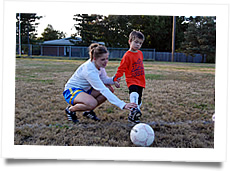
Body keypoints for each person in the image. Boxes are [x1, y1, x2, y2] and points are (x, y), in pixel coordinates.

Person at [63, 43, 137, 123]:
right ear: (94, 58)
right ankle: (70, 110)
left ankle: (88, 111)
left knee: (109, 88)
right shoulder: (89, 71)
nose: (106, 62)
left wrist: (113, 80)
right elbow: (103, 89)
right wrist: (123, 104)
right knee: (92, 103)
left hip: (85, 90)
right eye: (103, 59)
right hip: (71, 91)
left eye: (107, 58)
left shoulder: (98, 65)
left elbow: (104, 79)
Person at [113, 30, 145, 123]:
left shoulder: (140, 53)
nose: (138, 45)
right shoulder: (127, 55)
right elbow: (121, 68)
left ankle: (133, 115)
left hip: (141, 81)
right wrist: (116, 78)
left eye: (140, 43)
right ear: (130, 41)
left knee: (139, 99)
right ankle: (133, 109)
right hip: (132, 80)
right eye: (136, 42)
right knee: (134, 93)